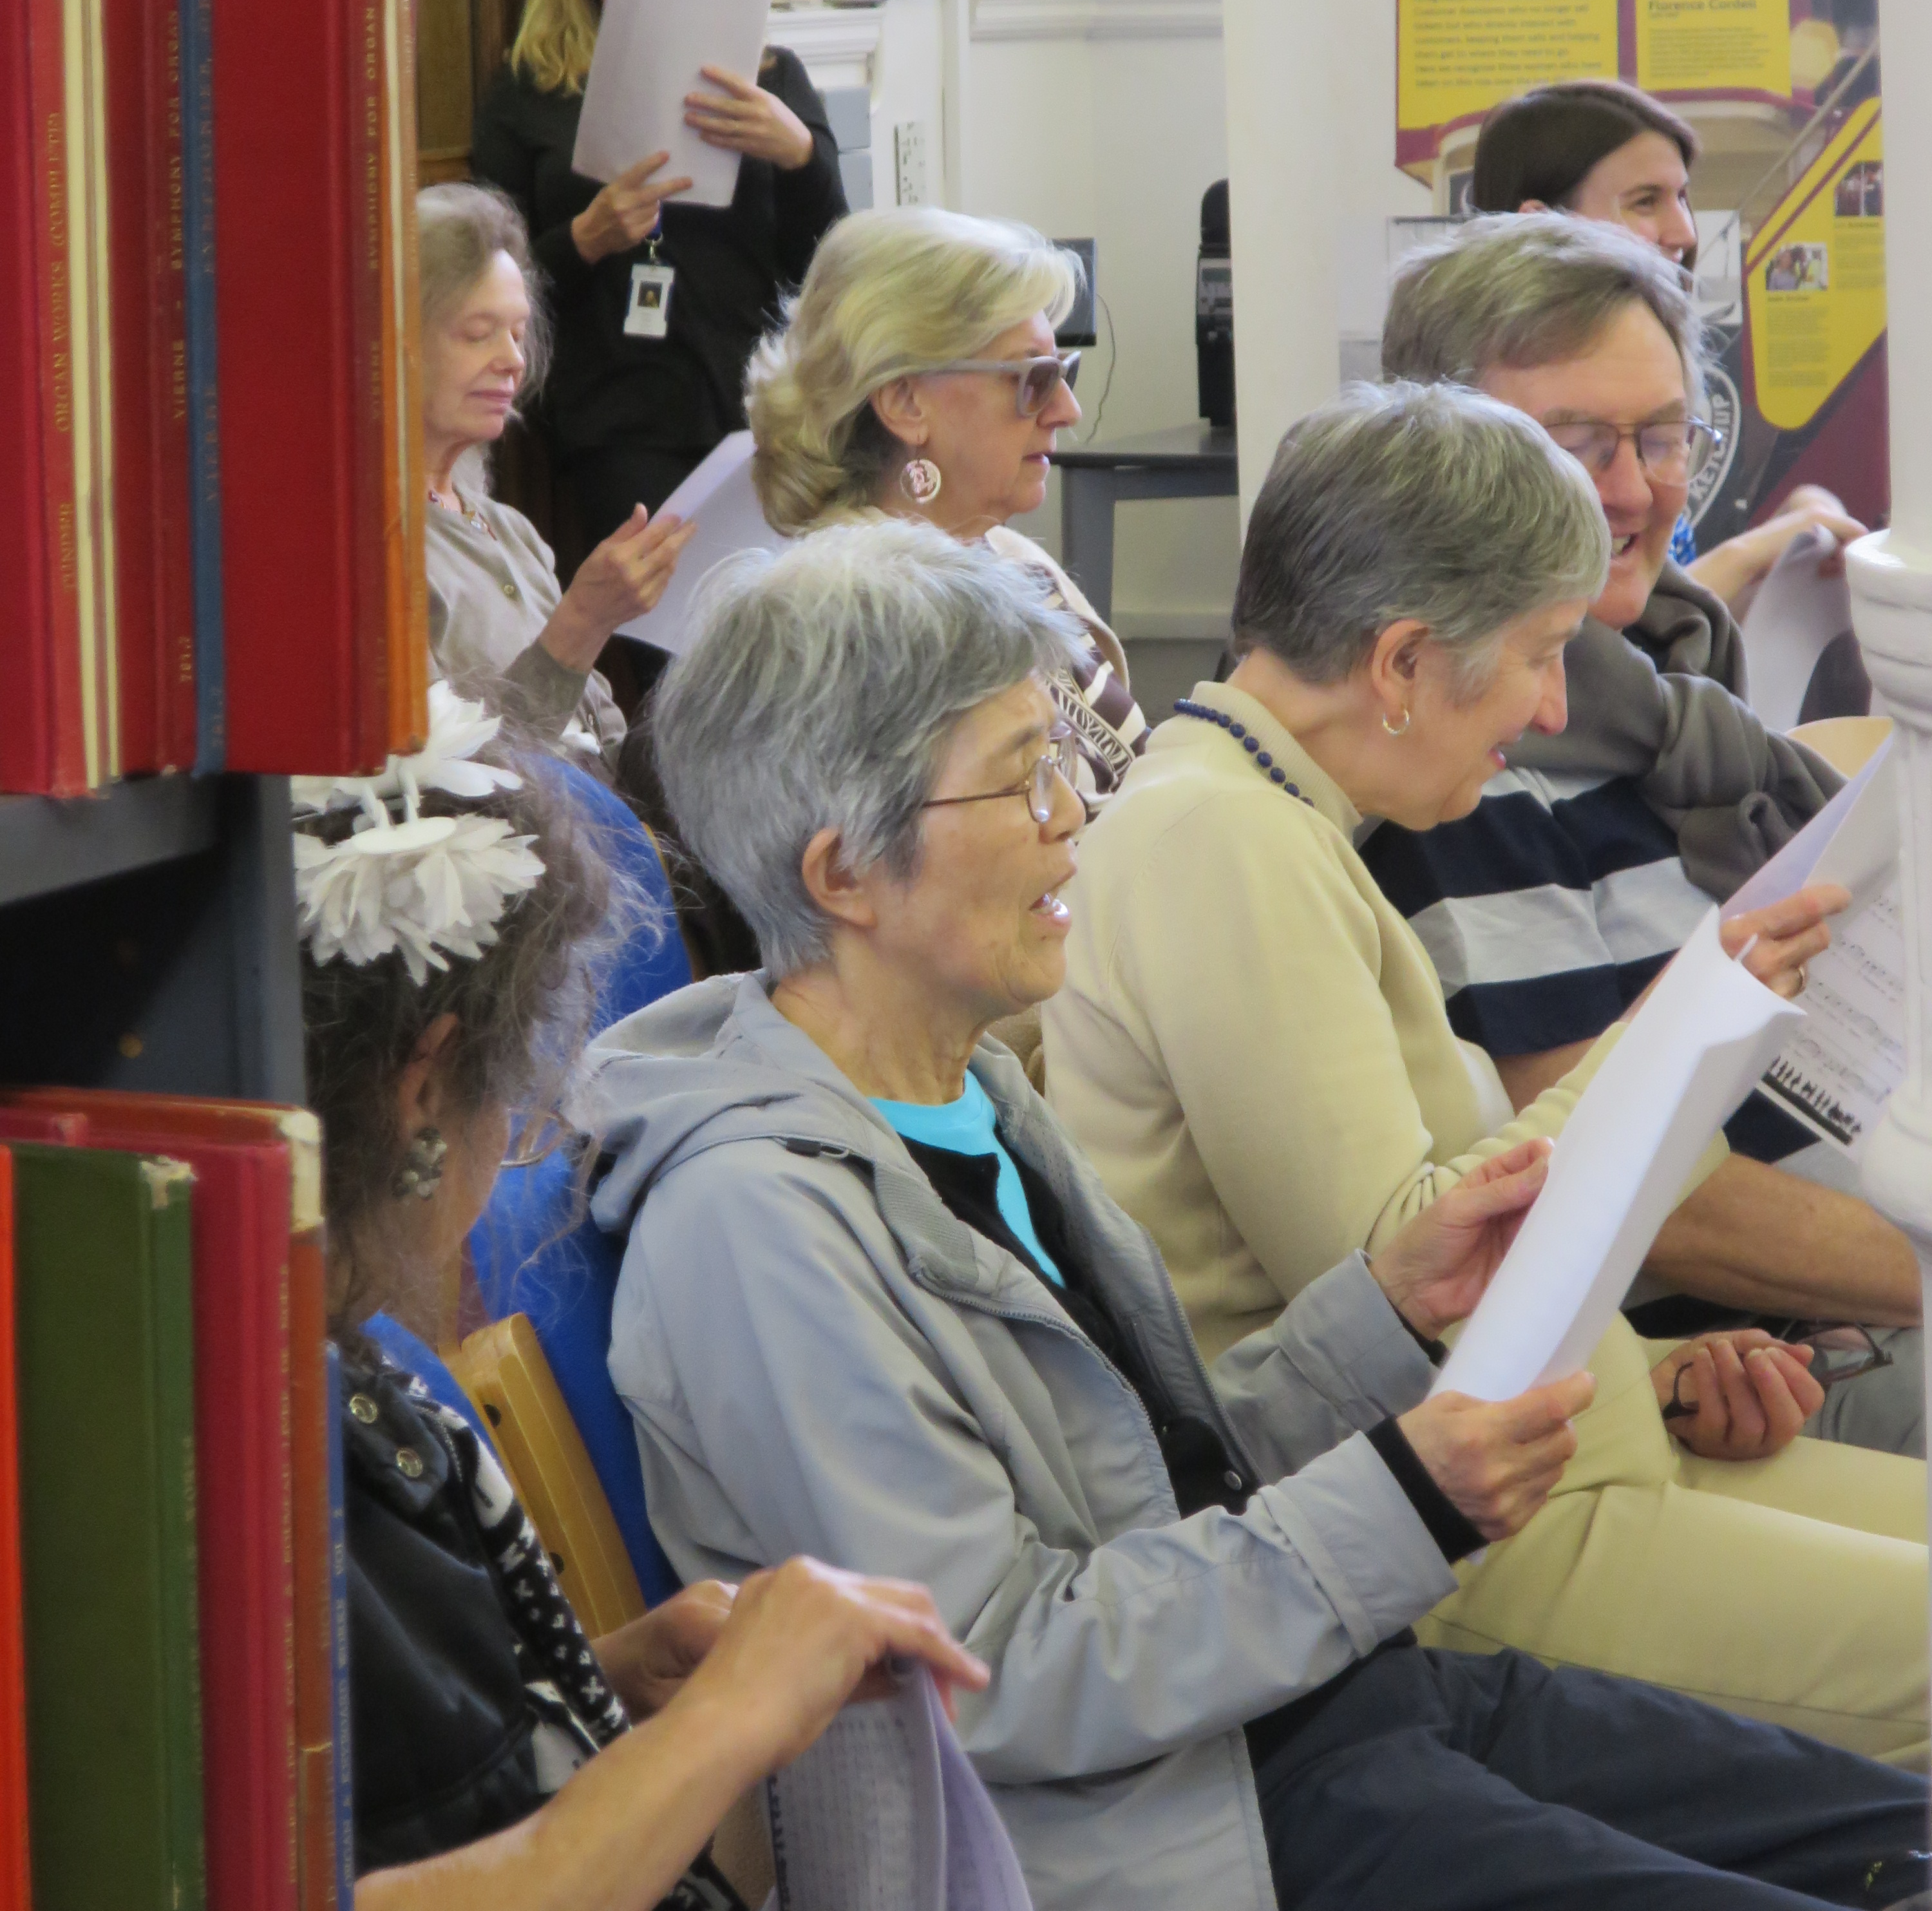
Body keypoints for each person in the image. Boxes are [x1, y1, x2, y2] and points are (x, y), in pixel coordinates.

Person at [577, 524, 1931, 1911]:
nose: (1071, 815)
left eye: (1062, 759)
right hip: (1173, 1827)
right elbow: (993, 1670)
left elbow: (1153, 1484)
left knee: (1906, 1834)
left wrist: (1387, 1311)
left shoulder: (965, 1089)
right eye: (1018, 778)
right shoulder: (755, 1222)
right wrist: (1404, 1493)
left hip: (1301, 1707)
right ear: (840, 873)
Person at [1044, 386, 1928, 1752]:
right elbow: (1412, 1299)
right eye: (1539, 650)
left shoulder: (1264, 817)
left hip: (1568, 1473)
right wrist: (1687, 1018)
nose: (1553, 702)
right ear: (1401, 662)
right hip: (1472, 1542)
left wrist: (1667, 1364)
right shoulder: (1221, 843)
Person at [292, 682, 987, 1903]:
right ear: (421, 1094)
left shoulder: (352, 1376)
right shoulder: (275, 1477)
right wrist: (723, 1729)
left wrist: (602, 1680)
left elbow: (412, 1781)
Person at [1368, 216, 1921, 1450]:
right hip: (1723, 1366)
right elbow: (1633, 1185)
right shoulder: (1460, 767)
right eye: (1576, 442)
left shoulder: (1675, 691)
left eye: (1664, 434)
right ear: (1443, 457)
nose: (1635, 487)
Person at [471, 0, 846, 546]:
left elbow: (832, 264)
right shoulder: (529, 91)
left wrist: (799, 153)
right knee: (676, 647)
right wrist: (583, 239)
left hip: (768, 411)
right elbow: (487, 288)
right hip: (618, 421)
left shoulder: (770, 77)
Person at [744, 207, 1148, 811]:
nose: (1068, 410)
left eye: (1066, 372)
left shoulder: (1008, 555)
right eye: (1033, 379)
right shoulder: (858, 634)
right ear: (906, 402)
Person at [1468, 80, 1863, 600]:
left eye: (1682, 197)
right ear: (1539, 228)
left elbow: (1678, 641)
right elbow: (1594, 637)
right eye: (1645, 201)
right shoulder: (1482, 422)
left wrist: (1792, 536)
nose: (1685, 232)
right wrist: (1749, 555)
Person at [417, 184, 694, 765]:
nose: (514, 360)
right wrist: (583, 624)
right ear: (393, 345)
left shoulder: (508, 529)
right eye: (478, 333)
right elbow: (454, 792)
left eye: (518, 334)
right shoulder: (372, 558)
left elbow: (603, 744)